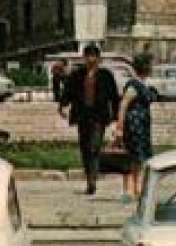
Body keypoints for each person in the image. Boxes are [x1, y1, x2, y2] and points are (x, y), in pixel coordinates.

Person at [57, 44, 119, 196]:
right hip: (82, 115)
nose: (91, 59)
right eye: (88, 56)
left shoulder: (106, 75)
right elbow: (68, 92)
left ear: (98, 58)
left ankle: (93, 180)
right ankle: (89, 179)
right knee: (85, 148)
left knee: (94, 147)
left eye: (94, 56)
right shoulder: (77, 74)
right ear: (84, 58)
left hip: (99, 116)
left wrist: (116, 116)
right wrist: (62, 106)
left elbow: (114, 96)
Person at [117, 54, 155, 202]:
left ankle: (136, 188)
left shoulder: (142, 83)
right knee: (133, 157)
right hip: (134, 125)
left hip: (141, 125)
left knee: (138, 158)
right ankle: (129, 190)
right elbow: (123, 105)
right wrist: (119, 127)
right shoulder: (133, 85)